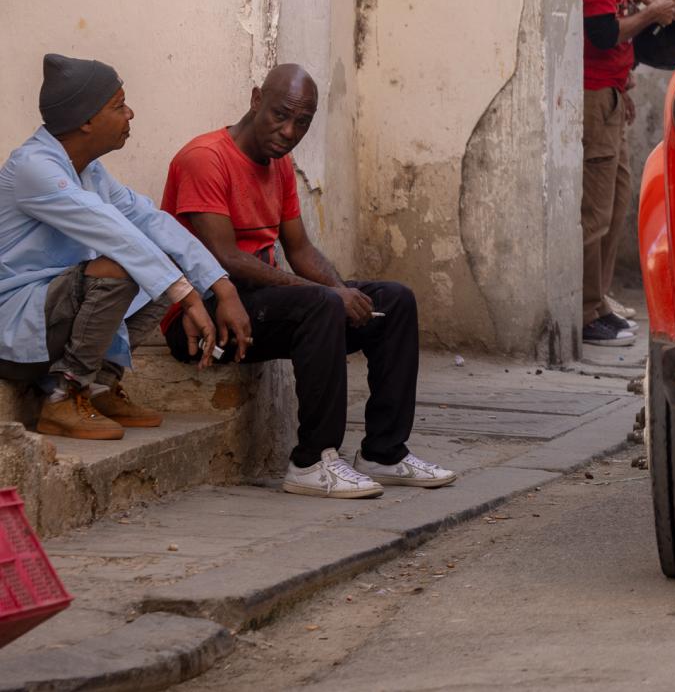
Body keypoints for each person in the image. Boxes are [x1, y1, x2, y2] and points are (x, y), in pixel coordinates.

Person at [165, 66, 457, 496]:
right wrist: (327, 295)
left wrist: (343, 291)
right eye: (280, 115)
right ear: (254, 100)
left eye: (302, 122)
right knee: (320, 303)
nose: (288, 131)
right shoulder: (205, 158)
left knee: (394, 301)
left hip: (262, 306)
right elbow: (224, 257)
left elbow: (300, 250)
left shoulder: (279, 165)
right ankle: (312, 461)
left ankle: (384, 452)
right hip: (205, 318)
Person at [0, 57, 246, 440]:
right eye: (118, 106)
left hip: (51, 318)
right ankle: (64, 393)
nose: (130, 114)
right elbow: (115, 232)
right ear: (85, 120)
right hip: (14, 327)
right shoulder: (34, 168)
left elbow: (151, 221)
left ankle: (98, 385)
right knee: (128, 265)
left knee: (160, 260)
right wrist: (188, 297)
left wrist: (221, 286)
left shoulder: (90, 171)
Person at [583, 0, 675, 347]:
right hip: (596, 93)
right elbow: (602, 32)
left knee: (615, 201)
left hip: (610, 92)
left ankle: (597, 301)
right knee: (597, 210)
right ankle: (584, 310)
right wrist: (654, 14)